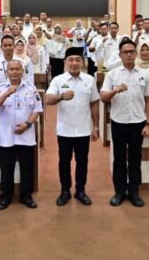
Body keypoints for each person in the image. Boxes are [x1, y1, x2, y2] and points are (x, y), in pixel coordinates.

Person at [100, 39, 149, 208]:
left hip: (138, 122)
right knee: (119, 158)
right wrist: (115, 90)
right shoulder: (112, 75)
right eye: (125, 52)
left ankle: (134, 192)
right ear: (120, 54)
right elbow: (103, 97)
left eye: (131, 51)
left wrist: (148, 123)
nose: (129, 54)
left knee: (135, 158)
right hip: (119, 122)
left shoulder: (144, 74)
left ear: (136, 54)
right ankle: (119, 192)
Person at [46, 47, 100, 206]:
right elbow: (48, 99)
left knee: (82, 161)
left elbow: (94, 103)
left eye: (77, 60)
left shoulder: (89, 80)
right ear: (65, 62)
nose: (74, 63)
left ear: (82, 62)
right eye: (70, 60)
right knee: (64, 161)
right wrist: (62, 96)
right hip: (65, 130)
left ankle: (80, 191)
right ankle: (65, 191)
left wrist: (96, 127)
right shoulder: (58, 80)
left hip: (83, 129)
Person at [0, 60, 43, 210]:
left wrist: (27, 124)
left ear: (22, 71)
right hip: (7, 137)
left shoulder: (31, 88)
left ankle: (26, 195)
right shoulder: (0, 88)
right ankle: (6, 196)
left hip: (26, 136)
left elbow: (37, 109)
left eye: (17, 69)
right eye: (11, 69)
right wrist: (7, 93)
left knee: (27, 169)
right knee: (6, 169)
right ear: (6, 72)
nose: (14, 72)